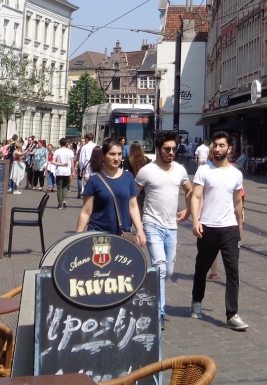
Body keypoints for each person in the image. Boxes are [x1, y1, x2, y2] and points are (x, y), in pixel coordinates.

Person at [190, 132, 248, 330]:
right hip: (207, 226)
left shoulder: (236, 174)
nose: (217, 149)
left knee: (233, 272)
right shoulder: (204, 170)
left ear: (229, 149)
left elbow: (237, 202)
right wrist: (195, 220)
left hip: (229, 228)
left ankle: (232, 314)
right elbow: (196, 196)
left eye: (221, 145)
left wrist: (239, 227)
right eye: (215, 145)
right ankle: (197, 300)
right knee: (202, 268)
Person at [134, 131, 191, 328]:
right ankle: (159, 313)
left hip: (171, 227)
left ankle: (148, 286)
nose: (171, 152)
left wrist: (188, 210)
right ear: (158, 150)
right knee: (160, 269)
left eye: (174, 149)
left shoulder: (180, 170)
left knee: (169, 271)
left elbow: (190, 190)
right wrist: (138, 226)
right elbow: (133, 197)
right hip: (152, 225)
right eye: (167, 149)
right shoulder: (147, 171)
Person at [77, 140, 146, 248]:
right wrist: (77, 237)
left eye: (119, 154)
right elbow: (86, 212)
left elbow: (133, 206)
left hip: (122, 234)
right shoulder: (94, 180)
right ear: (103, 156)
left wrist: (139, 230)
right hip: (99, 235)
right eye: (112, 154)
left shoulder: (128, 177)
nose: (116, 158)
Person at [52, 138, 75, 209]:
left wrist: (61, 164)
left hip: (59, 171)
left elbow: (53, 161)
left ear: (60, 144)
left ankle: (60, 204)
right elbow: (72, 162)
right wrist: (73, 171)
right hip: (67, 171)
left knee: (59, 188)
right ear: (66, 144)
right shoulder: (70, 151)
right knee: (65, 186)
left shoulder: (57, 151)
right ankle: (64, 199)